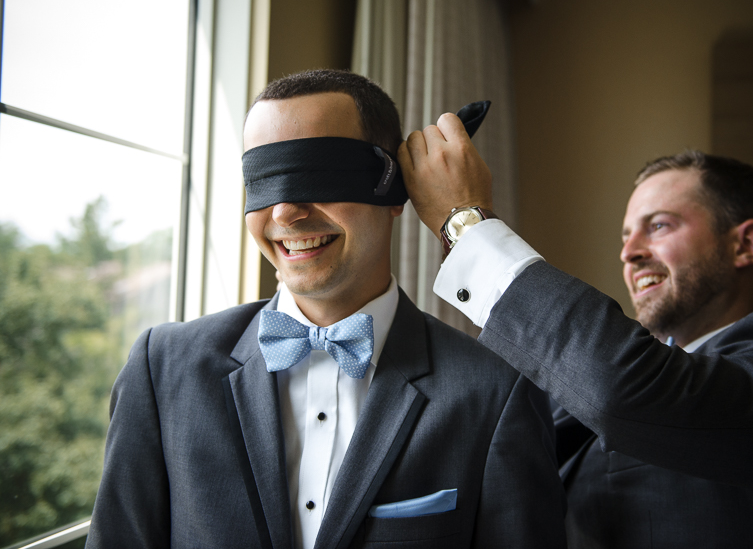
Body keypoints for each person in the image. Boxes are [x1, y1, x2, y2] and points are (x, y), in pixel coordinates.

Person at [86, 70, 566, 549]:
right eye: (263, 181)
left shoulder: (496, 392)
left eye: (317, 173)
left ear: (395, 190)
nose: (284, 213)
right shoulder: (162, 369)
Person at [397, 114, 753, 548]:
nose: (630, 253)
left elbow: (624, 390)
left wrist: (465, 224)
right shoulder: (586, 388)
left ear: (746, 244)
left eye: (660, 226)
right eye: (626, 236)